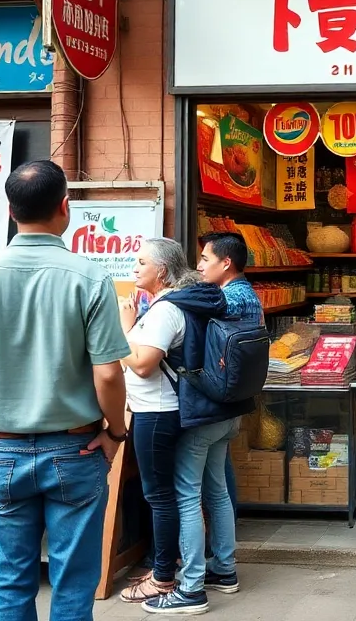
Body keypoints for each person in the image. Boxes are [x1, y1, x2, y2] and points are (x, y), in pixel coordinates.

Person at [0, 161, 131, 621]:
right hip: (77, 448)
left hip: (5, 448)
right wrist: (116, 432)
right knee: (73, 583)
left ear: (11, 211)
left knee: (9, 582)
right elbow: (108, 375)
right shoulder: (89, 277)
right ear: (65, 208)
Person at [143, 257, 243, 615]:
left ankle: (191, 588)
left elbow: (144, 362)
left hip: (200, 415)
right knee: (217, 492)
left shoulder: (173, 308)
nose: (202, 265)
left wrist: (128, 326)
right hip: (227, 411)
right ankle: (225, 570)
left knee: (187, 496)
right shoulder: (217, 300)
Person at [116, 239, 199, 603]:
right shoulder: (159, 306)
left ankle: (163, 576)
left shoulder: (165, 311)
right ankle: (166, 564)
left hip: (158, 411)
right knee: (162, 494)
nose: (135, 268)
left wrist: (122, 329)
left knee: (159, 496)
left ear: (161, 271)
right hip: (155, 409)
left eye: (141, 262)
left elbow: (145, 364)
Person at [195, 231, 263, 548]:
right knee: (221, 470)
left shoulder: (230, 298)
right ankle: (225, 539)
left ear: (226, 263)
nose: (199, 266)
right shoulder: (243, 293)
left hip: (221, 392)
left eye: (205, 259)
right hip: (236, 392)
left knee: (210, 479)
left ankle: (220, 542)